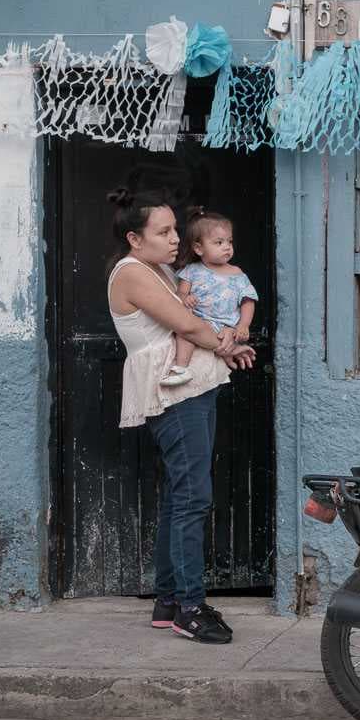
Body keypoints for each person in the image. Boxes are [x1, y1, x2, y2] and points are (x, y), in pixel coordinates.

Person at [105, 188, 256, 644]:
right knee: (193, 497)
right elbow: (188, 325)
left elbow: (200, 318)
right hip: (175, 395)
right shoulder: (132, 274)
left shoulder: (163, 270)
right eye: (163, 232)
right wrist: (229, 345)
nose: (174, 239)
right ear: (135, 238)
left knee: (180, 494)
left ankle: (169, 599)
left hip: (194, 386)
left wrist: (223, 344)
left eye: (175, 230)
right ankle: (190, 608)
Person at [163, 207, 259, 388]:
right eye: (219, 242)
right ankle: (181, 368)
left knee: (225, 341)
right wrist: (185, 297)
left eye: (229, 241)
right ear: (199, 248)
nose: (227, 247)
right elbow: (180, 294)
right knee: (184, 333)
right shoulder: (192, 271)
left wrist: (243, 325)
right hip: (201, 322)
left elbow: (248, 300)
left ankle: (224, 354)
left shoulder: (237, 273)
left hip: (227, 326)